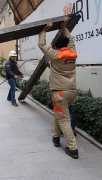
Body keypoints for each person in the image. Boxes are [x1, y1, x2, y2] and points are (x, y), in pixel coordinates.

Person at [38, 18, 79, 159]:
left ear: (57, 47)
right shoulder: (73, 54)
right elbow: (71, 40)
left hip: (60, 92)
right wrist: (64, 28)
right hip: (71, 92)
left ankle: (73, 149)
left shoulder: (55, 56)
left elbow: (42, 45)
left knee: (64, 120)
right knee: (59, 114)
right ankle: (55, 137)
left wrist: (44, 31)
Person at [44, 57, 77, 136]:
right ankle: (71, 128)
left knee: (60, 111)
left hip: (60, 90)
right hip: (70, 88)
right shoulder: (68, 61)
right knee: (69, 109)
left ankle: (60, 132)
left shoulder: (56, 62)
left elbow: (47, 61)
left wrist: (48, 54)